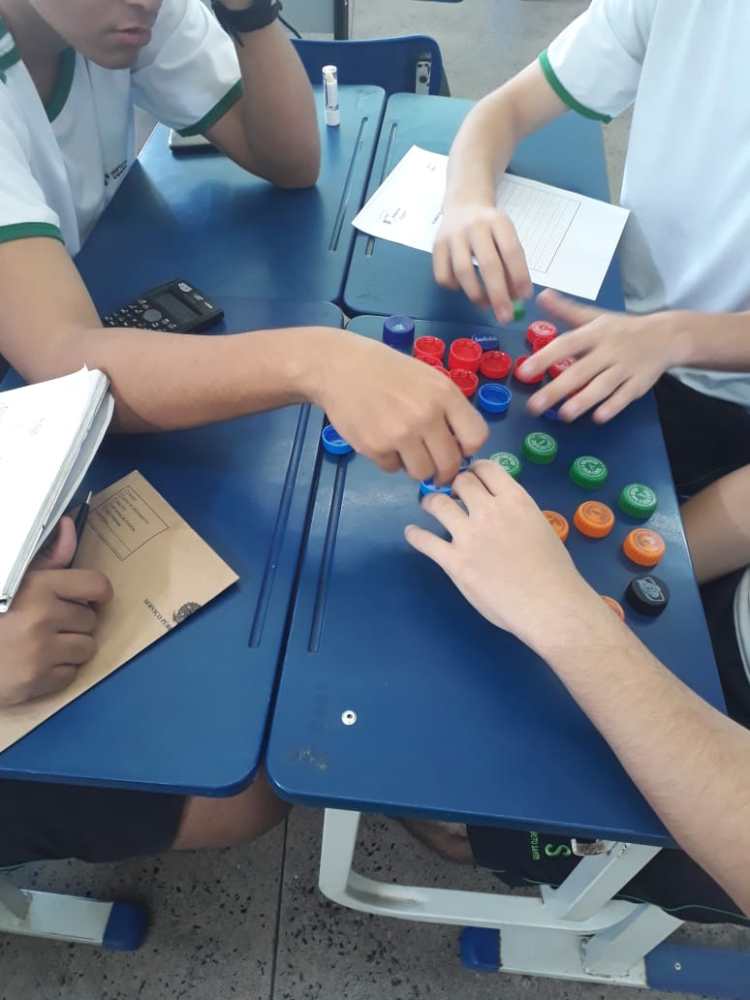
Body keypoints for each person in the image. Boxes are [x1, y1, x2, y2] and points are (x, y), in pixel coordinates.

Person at [0, 0, 488, 867]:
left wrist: (249, 14)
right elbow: (70, 361)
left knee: (271, 573)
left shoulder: (124, 18)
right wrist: (317, 359)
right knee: (241, 785)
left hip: (39, 407)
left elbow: (292, 159)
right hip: (40, 397)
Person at [404, 459, 750, 923]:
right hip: (721, 601)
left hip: (724, 804)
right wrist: (638, 580)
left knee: (453, 820)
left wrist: (563, 611)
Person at [433, 0, 750, 493]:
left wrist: (674, 336)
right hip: (616, 324)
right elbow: (507, 108)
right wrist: (467, 199)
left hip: (724, 396)